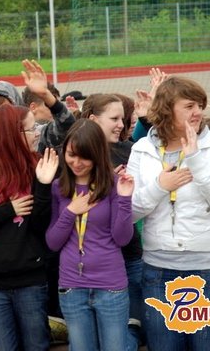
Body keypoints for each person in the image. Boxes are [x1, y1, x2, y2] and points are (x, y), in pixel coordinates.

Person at [127, 76, 210, 351]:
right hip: (159, 269)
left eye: (200, 105)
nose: (197, 112)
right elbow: (128, 213)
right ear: (167, 110)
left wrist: (196, 159)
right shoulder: (142, 149)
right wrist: (159, 187)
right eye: (189, 106)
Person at [0, 103, 59, 350]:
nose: (37, 133)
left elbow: (42, 226)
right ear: (13, 135)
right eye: (31, 129)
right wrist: (8, 210)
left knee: (36, 344)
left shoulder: (40, 167)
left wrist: (43, 185)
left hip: (31, 278)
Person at [46, 118, 134, 351]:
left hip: (110, 286)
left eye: (84, 157)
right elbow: (53, 242)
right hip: (72, 286)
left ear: (97, 155)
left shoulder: (114, 184)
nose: (76, 163)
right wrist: (70, 212)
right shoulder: (59, 187)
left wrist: (125, 199)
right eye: (71, 155)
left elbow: (122, 238)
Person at [81, 93, 144, 350]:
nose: (121, 125)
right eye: (114, 119)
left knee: (131, 332)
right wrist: (105, 187)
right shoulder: (76, 156)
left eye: (123, 119)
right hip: (95, 264)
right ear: (93, 120)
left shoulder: (129, 151)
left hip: (130, 255)